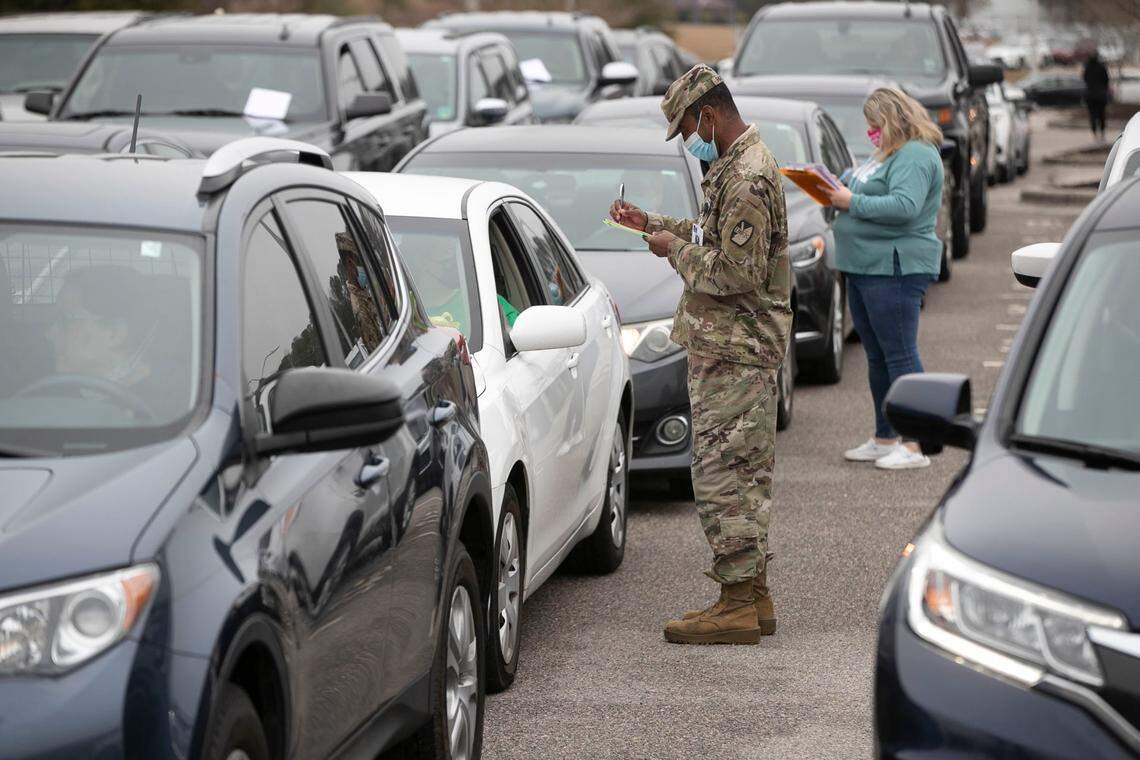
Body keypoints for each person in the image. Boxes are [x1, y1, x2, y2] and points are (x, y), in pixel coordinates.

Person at [609, 64, 791, 646]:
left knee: (722, 476)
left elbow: (737, 271)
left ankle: (736, 604)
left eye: (688, 127)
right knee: (742, 472)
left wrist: (674, 253)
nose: (690, 140)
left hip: (736, 350)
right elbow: (715, 236)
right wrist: (654, 225)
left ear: (708, 115)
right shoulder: (737, 169)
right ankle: (753, 595)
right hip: (730, 346)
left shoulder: (746, 177)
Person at [823, 87, 943, 470]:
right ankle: (885, 435)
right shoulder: (885, 155)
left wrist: (849, 201)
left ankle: (917, 444)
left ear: (891, 121)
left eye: (875, 124)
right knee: (877, 356)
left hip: (894, 267)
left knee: (901, 353)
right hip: (863, 265)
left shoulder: (916, 154)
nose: (870, 131)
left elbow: (905, 207)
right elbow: (862, 188)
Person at [1083, 49, 1110, 141]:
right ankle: (1102, 133)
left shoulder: (1087, 68)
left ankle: (1095, 135)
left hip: (1090, 95)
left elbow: (1085, 80)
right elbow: (1106, 80)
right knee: (1102, 115)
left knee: (1092, 116)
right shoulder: (1102, 67)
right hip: (1101, 95)